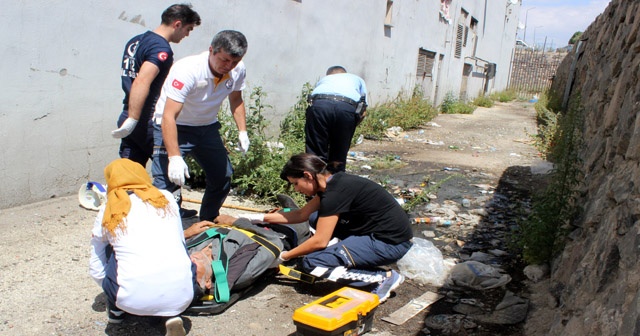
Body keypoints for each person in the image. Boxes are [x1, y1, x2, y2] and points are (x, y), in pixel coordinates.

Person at [226, 153, 413, 303]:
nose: (297, 190)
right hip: (383, 234)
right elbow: (301, 215)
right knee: (315, 218)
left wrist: (283, 256)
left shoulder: (334, 194)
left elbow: (319, 241)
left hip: (389, 243)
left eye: (296, 184)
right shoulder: (333, 183)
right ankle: (343, 253)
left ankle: (382, 278)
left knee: (312, 263)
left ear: (307, 176)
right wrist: (256, 218)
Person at [89, 158, 213, 336]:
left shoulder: (109, 209)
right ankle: (170, 312)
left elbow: (96, 261)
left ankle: (118, 312)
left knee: (110, 248)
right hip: (186, 295)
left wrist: (109, 289)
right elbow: (179, 240)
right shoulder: (166, 197)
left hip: (129, 300)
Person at [152, 30, 249, 222]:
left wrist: (243, 131)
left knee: (222, 176)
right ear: (211, 50)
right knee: (167, 182)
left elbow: (236, 99)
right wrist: (174, 157)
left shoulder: (237, 69)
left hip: (206, 126)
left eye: (234, 62)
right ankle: (164, 226)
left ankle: (207, 219)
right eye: (224, 60)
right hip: (175, 126)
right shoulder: (188, 70)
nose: (228, 66)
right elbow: (168, 116)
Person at [111, 4, 201, 167]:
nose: (187, 35)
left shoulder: (136, 41)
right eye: (188, 29)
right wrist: (134, 119)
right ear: (177, 24)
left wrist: (130, 118)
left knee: (130, 175)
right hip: (147, 121)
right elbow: (142, 81)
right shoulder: (161, 48)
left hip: (129, 115)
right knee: (168, 176)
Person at [305, 66, 368, 172]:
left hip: (320, 106)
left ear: (328, 75)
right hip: (346, 108)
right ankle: (336, 184)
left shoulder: (323, 81)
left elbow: (312, 101)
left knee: (315, 154)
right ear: (345, 74)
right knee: (339, 156)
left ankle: (314, 184)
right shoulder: (357, 79)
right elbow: (363, 112)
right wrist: (349, 127)